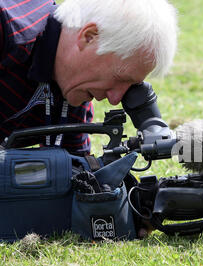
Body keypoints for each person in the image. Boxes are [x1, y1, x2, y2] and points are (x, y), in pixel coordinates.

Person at [0, 0, 178, 154]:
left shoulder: (72, 88)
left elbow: (76, 173)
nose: (115, 99)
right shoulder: (8, 27)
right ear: (89, 36)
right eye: (119, 78)